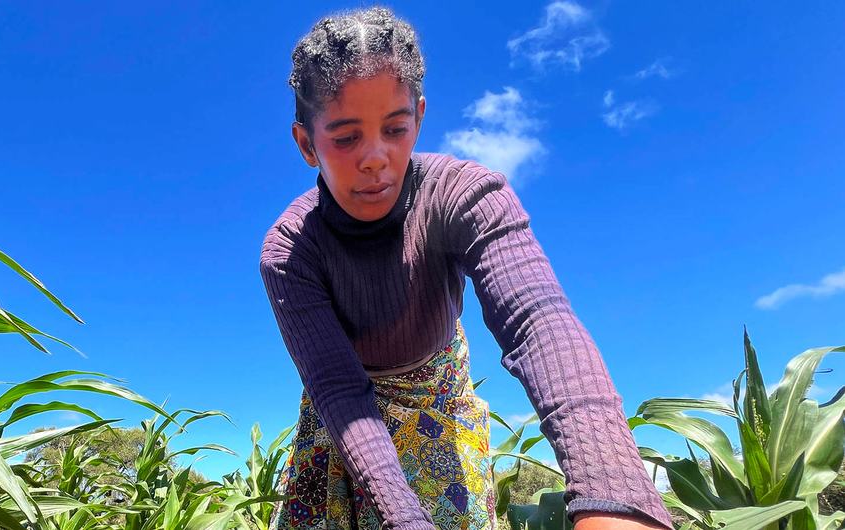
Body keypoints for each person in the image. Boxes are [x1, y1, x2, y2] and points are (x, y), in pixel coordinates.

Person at [258, 7, 673, 530]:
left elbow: (537, 321)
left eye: (395, 128)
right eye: (345, 138)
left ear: (420, 118)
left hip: (438, 397)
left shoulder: (466, 195)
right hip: (345, 417)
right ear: (305, 144)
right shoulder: (290, 251)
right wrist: (403, 519)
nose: (375, 157)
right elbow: (339, 389)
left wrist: (614, 493)